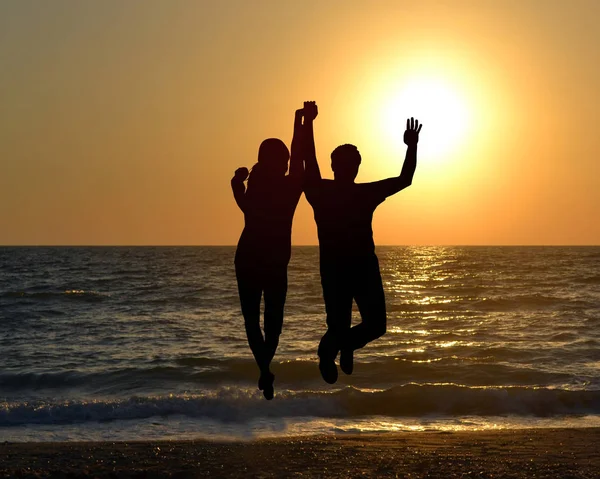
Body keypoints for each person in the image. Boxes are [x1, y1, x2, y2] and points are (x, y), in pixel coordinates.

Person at [302, 101, 422, 384]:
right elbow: (405, 178)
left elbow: (405, 180)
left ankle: (343, 346)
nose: (349, 169)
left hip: (361, 268)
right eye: (347, 164)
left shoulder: (348, 192)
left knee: (374, 325)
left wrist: (309, 122)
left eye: (351, 164)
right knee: (342, 325)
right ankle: (330, 351)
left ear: (354, 167)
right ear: (344, 167)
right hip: (337, 270)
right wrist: (411, 145)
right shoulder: (323, 191)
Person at [231, 105, 308, 400]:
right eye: (285, 160)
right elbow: (299, 155)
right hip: (274, 264)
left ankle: (264, 370)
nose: (289, 163)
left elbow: (236, 186)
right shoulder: (290, 189)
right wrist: (298, 122)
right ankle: (265, 368)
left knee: (252, 321)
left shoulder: (253, 190)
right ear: (283, 162)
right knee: (272, 323)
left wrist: (238, 178)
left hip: (248, 260)